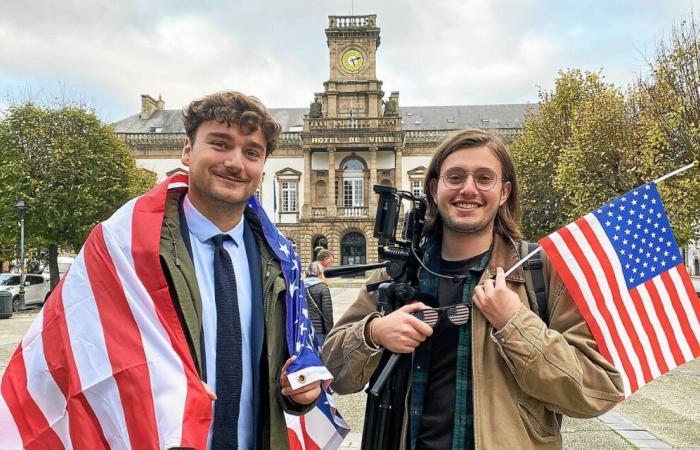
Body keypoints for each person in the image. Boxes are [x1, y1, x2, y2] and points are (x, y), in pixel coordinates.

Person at [322, 129, 624, 449]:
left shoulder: (541, 271)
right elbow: (332, 371)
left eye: (484, 178)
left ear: (504, 191)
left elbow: (596, 391)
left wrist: (515, 324)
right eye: (455, 177)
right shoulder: (399, 273)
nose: (468, 189)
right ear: (434, 187)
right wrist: (374, 333)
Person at [173, 91, 321, 448]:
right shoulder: (133, 248)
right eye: (220, 144)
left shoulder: (282, 262)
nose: (236, 163)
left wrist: (299, 393)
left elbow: (287, 366)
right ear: (187, 151)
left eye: (252, 152)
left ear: (262, 167)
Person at [303, 261, 334, 346]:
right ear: (319, 272)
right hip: (319, 330)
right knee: (319, 356)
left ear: (306, 272)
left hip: (302, 329)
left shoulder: (300, 287)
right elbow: (327, 313)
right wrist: (330, 332)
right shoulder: (323, 288)